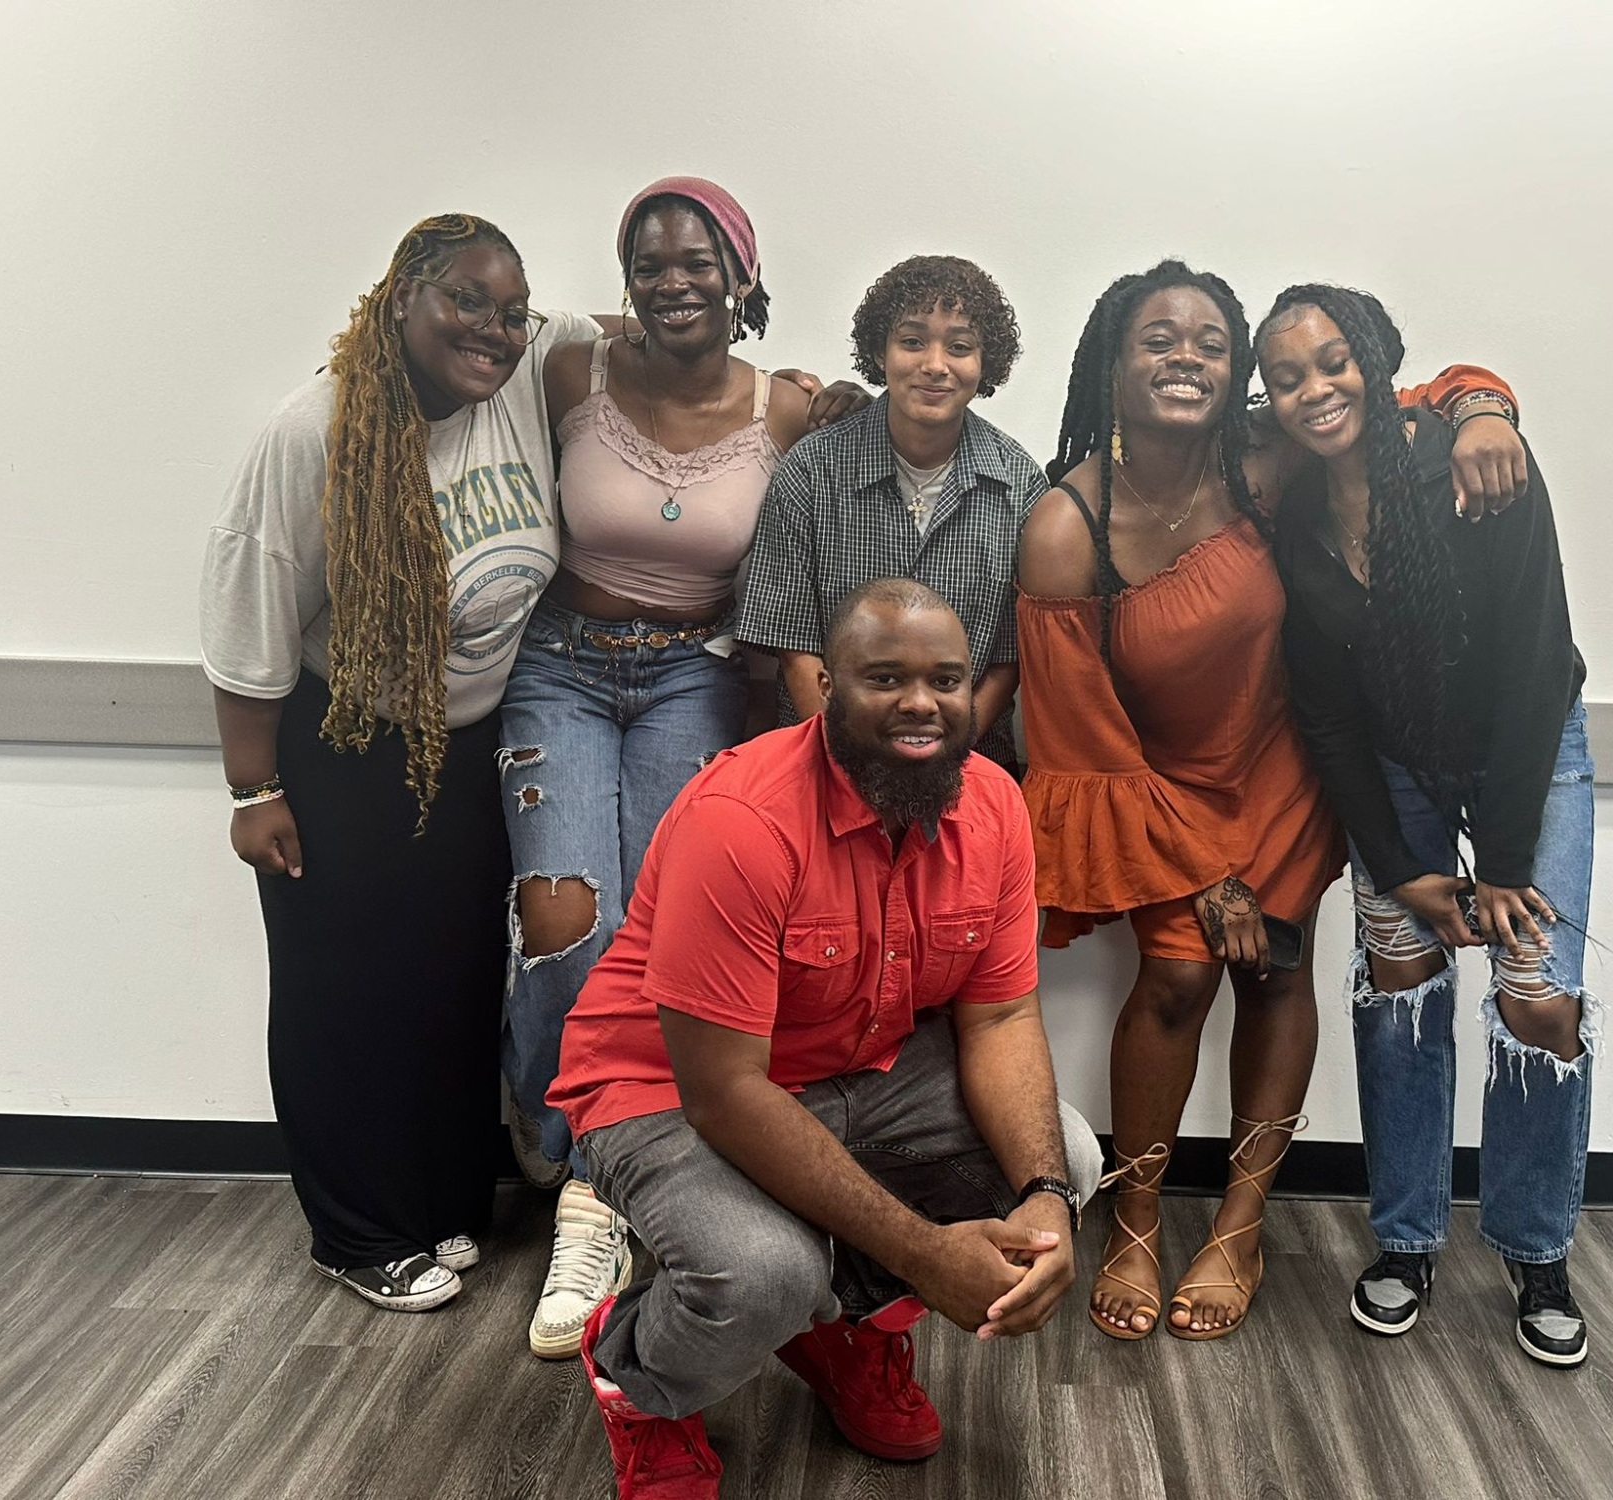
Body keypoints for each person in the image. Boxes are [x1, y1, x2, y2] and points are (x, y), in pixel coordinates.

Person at [1015, 259, 1525, 1341]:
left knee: (1274, 967)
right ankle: (1139, 1221)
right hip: (1155, 790)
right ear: (1110, 364)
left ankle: (1239, 1224)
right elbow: (1081, 740)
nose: (1184, 357)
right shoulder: (1065, 525)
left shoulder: (1265, 455)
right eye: (1157, 339)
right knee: (1174, 976)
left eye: (1208, 340)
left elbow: (1397, 392)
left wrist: (1486, 407)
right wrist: (1202, 871)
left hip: (1284, 772)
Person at [547, 580, 1101, 1499]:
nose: (921, 703)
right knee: (766, 1274)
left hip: (856, 1067)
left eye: (946, 679)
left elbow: (999, 1017)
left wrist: (1044, 1196)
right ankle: (638, 1380)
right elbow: (725, 1091)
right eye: (884, 677)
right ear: (823, 686)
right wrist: (926, 1253)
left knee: (1068, 1162)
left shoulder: (995, 807)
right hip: (664, 1087)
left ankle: (851, 1329)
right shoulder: (743, 819)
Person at [201, 213, 607, 1310]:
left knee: (449, 986)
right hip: (339, 749)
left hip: (467, 745)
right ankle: (355, 1232)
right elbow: (246, 630)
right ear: (399, 301)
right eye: (463, 303)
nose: (492, 328)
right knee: (346, 997)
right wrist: (254, 792)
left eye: (509, 311)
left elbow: (636, 326)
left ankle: (437, 1206)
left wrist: (776, 382)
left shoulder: (521, 373)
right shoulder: (315, 434)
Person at [497, 177, 857, 1361]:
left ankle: (632, 1169)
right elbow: (488, 352)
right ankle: (570, 1171)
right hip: (558, 666)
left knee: (662, 934)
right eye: (648, 263)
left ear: (741, 277)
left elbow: (848, 504)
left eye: (697, 260)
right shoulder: (570, 377)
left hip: (694, 678)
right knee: (561, 917)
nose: (673, 280)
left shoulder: (788, 407)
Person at [1259, 284, 1595, 1367]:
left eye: (1330, 362)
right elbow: (1322, 709)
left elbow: (1535, 670)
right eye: (1285, 376)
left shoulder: (1470, 462)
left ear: (1373, 358)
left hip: (1526, 756)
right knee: (1398, 986)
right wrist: (1397, 865)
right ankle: (1404, 1239)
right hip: (1393, 768)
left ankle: (1535, 1251)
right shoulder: (1292, 510)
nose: (1313, 390)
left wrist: (1496, 867)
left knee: (1533, 996)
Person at [737, 255, 1046, 774]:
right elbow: (795, 648)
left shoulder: (1020, 484)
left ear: (984, 363)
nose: (935, 363)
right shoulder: (813, 470)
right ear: (879, 352)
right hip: (824, 758)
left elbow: (1008, 659)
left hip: (967, 763)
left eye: (961, 346)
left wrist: (945, 754)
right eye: (912, 341)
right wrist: (845, 764)